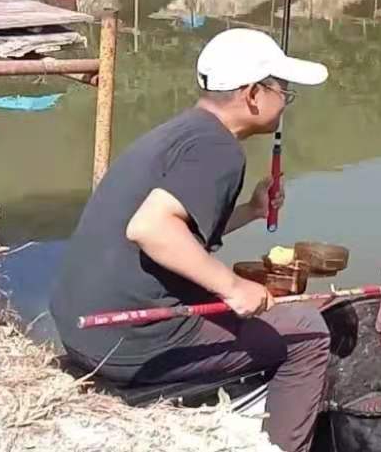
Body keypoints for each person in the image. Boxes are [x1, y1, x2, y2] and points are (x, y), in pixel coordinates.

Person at [49, 29, 331, 452]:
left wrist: (252, 211)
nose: (286, 102)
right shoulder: (220, 150)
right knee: (307, 334)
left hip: (79, 328)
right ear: (253, 93)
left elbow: (180, 227)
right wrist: (233, 287)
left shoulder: (182, 132)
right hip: (130, 344)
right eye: (283, 92)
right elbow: (151, 228)